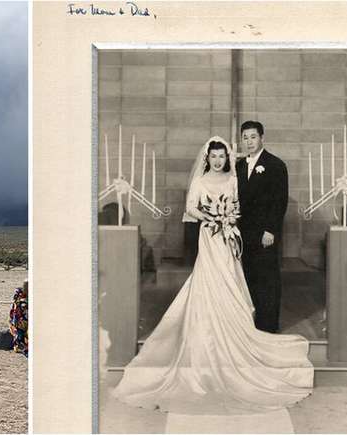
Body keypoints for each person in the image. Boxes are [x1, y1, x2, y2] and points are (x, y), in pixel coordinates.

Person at [112, 136, 312, 415]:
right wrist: (211, 217)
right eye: (214, 157)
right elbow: (190, 208)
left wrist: (229, 217)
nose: (218, 161)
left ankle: (235, 329)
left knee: (230, 277)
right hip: (209, 236)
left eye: (221, 157)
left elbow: (239, 205)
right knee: (209, 277)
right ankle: (205, 331)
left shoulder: (232, 180)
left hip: (229, 235)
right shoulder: (200, 181)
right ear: (207, 158)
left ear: (226, 158)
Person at [236, 120, 288, 333]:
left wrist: (271, 230)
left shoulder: (275, 165)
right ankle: (251, 324)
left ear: (262, 138)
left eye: (253, 137)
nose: (249, 141)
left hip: (264, 233)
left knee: (267, 278)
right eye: (245, 137)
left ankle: (268, 325)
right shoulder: (238, 166)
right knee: (248, 276)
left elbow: (279, 201)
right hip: (242, 233)